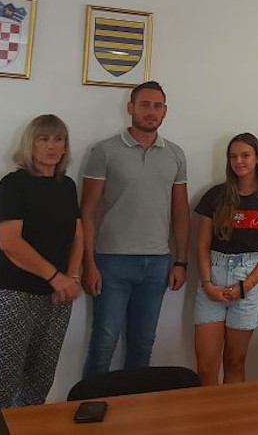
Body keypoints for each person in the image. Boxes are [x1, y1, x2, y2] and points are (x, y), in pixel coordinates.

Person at [80, 81, 190, 378]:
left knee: (143, 346)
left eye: (157, 106)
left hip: (157, 264)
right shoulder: (104, 151)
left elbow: (181, 212)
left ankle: (134, 406)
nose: (151, 111)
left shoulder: (175, 154)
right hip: (111, 262)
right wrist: (88, 263)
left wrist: (181, 261)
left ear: (165, 111)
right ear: (130, 108)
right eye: (144, 105)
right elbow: (87, 211)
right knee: (103, 344)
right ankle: (89, 405)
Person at [0, 115, 83, 410]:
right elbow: (10, 242)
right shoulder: (13, 184)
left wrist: (72, 277)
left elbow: (78, 235)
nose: (52, 146)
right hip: (10, 295)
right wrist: (57, 278)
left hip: (55, 299)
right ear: (30, 144)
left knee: (37, 386)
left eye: (59, 139)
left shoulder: (67, 186)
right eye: (43, 139)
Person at [194, 133, 258, 385]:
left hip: (249, 278)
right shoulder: (215, 195)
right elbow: (202, 244)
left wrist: (248, 285)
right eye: (233, 156)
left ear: (257, 158)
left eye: (245, 155)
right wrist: (207, 284)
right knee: (205, 367)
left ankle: (231, 411)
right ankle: (209, 409)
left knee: (235, 361)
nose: (239, 161)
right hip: (214, 276)